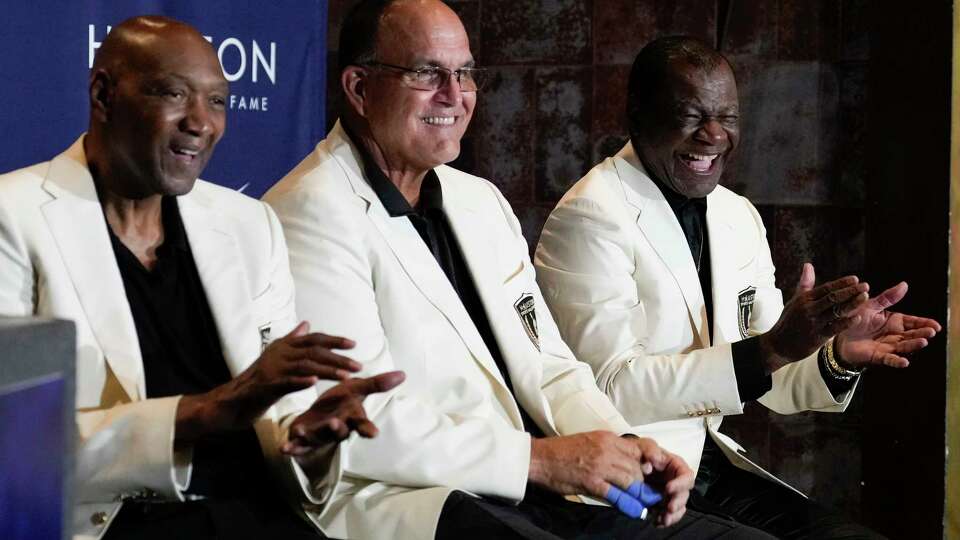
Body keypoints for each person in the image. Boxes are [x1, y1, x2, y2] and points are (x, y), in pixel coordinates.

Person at [264, 3, 779, 540]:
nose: (454, 93)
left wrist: (625, 447)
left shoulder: (478, 200)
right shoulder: (307, 213)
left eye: (464, 73)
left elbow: (549, 366)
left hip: (539, 490)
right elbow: (359, 424)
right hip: (424, 503)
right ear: (359, 86)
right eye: (426, 73)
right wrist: (538, 460)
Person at [0, 15, 403, 539]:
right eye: (174, 94)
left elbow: (275, 412)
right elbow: (15, 446)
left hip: (258, 514)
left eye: (217, 101)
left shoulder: (247, 225)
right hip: (115, 521)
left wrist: (306, 434)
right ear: (103, 95)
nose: (201, 123)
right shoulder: (14, 217)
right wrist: (203, 413)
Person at [534, 36, 942, 539]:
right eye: (691, 115)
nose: (714, 135)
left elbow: (771, 379)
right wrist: (769, 350)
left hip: (708, 467)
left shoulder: (736, 214)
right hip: (626, 480)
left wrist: (836, 353)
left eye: (727, 116)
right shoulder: (590, 215)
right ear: (637, 115)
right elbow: (610, 388)